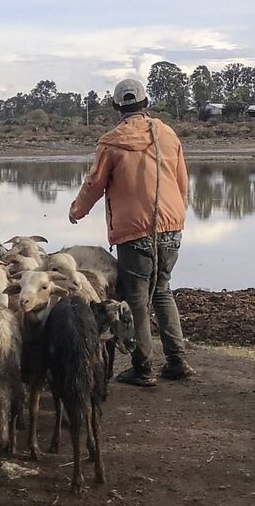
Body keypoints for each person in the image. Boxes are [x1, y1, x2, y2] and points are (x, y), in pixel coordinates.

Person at [68, 78, 194, 387]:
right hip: (171, 227)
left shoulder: (112, 142)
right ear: (146, 102)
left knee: (137, 300)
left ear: (116, 107)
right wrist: (175, 217)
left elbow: (93, 184)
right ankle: (177, 361)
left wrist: (77, 211)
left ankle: (144, 368)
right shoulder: (167, 134)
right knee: (162, 290)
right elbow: (181, 182)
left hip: (134, 232)